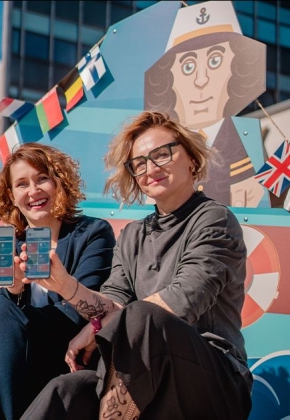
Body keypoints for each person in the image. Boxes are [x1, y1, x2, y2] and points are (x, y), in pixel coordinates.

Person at [22, 111, 253, 420]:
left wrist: (104, 326)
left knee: (142, 315)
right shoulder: (133, 235)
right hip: (142, 374)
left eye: (162, 154)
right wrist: (65, 285)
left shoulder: (215, 220)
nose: (150, 168)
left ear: (191, 160)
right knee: (67, 390)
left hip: (214, 379)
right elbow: (111, 305)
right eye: (139, 163)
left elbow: (182, 302)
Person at [0, 143, 116, 420]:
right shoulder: (10, 244)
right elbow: (10, 318)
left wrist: (7, 317)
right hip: (21, 364)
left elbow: (85, 308)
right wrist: (15, 287)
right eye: (21, 184)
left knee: (0, 312)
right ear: (11, 195)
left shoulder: (91, 232)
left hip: (69, 351)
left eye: (42, 178)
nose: (33, 191)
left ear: (59, 181)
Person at [144, 1, 265, 207]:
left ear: (236, 69)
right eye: (188, 66)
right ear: (169, 76)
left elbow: (251, 206)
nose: (201, 80)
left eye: (215, 61)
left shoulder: (238, 140)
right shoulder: (157, 145)